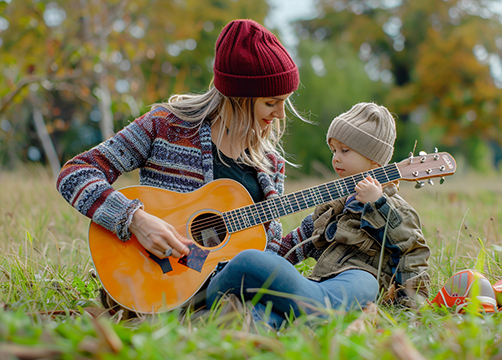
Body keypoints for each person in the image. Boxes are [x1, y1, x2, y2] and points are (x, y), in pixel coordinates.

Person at [56, 19, 302, 310]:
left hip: (232, 284)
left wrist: (319, 228)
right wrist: (135, 219)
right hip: (170, 271)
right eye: (272, 102)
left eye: (285, 101)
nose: (281, 114)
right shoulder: (165, 126)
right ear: (239, 96)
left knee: (348, 285)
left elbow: (265, 252)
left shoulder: (270, 164)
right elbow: (75, 173)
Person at [206, 102, 431, 328]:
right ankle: (252, 323)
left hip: (361, 279)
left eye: (345, 150)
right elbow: (301, 240)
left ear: (374, 160)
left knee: (257, 267)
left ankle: (258, 294)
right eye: (334, 150)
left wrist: (411, 306)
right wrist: (269, 259)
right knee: (258, 272)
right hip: (319, 281)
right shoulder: (335, 204)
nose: (336, 158)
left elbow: (411, 252)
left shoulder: (394, 207)